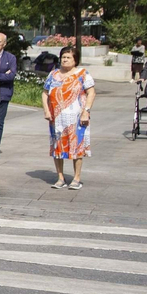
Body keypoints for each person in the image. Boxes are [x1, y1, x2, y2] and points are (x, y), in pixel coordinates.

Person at [43, 46, 95, 190]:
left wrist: (86, 111)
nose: (65, 60)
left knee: (76, 147)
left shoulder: (82, 74)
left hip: (77, 118)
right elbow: (45, 93)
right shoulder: (53, 74)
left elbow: (91, 93)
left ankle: (76, 178)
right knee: (57, 147)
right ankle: (60, 177)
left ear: (75, 60)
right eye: (63, 57)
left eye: (68, 57)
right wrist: (47, 110)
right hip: (57, 118)